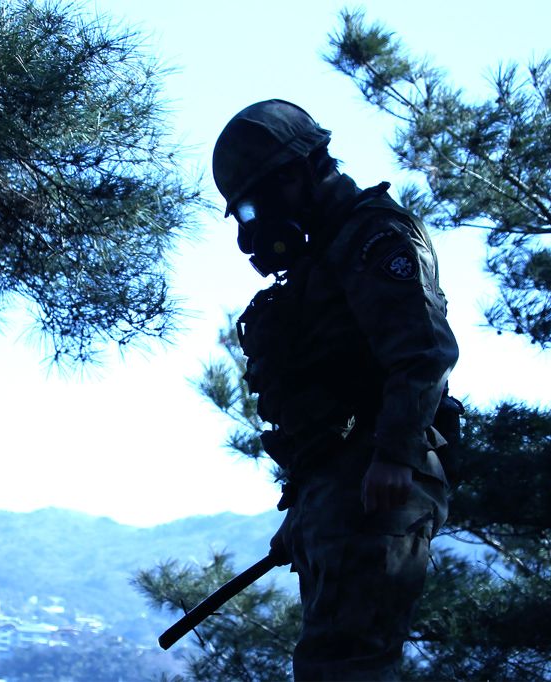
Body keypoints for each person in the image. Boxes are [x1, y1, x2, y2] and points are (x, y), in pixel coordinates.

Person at [212, 99, 459, 681]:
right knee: (331, 665)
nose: (252, 228)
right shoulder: (324, 254)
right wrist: (304, 506)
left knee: (346, 667)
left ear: (294, 174)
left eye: (252, 205)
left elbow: (425, 351)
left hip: (377, 485)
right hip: (341, 486)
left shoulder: (373, 236)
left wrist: (395, 455)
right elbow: (331, 398)